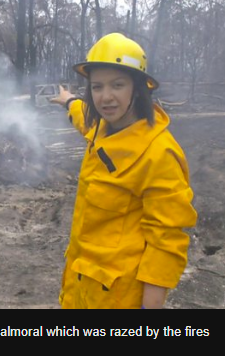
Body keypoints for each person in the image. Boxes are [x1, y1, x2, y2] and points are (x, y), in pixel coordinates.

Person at [50, 33, 197, 309]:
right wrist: (68, 100)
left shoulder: (158, 153)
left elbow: (166, 239)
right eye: (97, 87)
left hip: (119, 298)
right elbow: (84, 116)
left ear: (139, 89)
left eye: (117, 85)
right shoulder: (101, 129)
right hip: (81, 288)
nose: (106, 97)